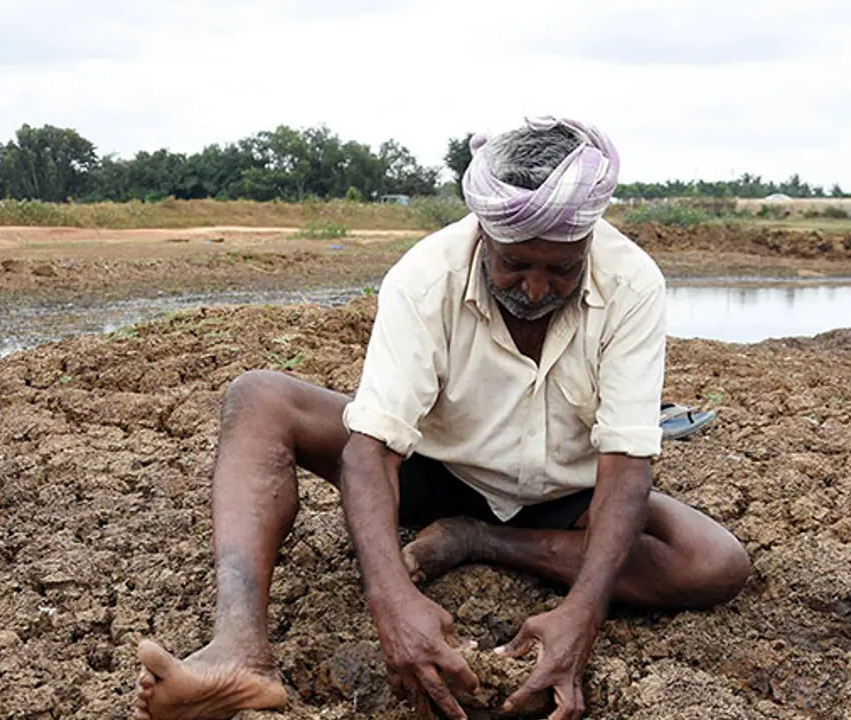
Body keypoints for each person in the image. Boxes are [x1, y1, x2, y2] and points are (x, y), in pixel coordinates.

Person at [132, 117, 751, 720]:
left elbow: (626, 461)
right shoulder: (426, 276)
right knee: (260, 396)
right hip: (435, 469)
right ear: (484, 233)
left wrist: (583, 614)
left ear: (588, 239)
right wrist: (393, 602)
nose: (535, 289)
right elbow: (370, 450)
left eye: (560, 269)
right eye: (515, 264)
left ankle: (478, 538)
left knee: (714, 562)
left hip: (568, 490)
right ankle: (240, 650)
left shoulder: (633, 283)